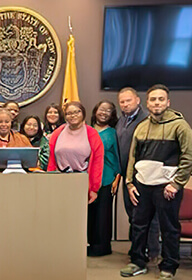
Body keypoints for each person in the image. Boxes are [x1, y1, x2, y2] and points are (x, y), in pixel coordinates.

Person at [120, 84, 192, 280]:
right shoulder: (142, 127)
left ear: (168, 102)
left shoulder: (180, 126)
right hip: (142, 186)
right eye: (153, 99)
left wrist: (177, 183)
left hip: (167, 188)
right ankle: (138, 262)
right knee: (138, 225)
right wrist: (130, 183)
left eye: (161, 99)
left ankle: (169, 267)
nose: (156, 103)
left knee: (169, 228)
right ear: (147, 103)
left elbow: (189, 157)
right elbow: (133, 158)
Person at [115, 87, 160, 260]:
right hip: (127, 177)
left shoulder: (147, 121)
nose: (125, 104)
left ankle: (152, 252)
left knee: (148, 217)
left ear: (138, 100)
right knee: (133, 215)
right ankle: (137, 250)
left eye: (128, 100)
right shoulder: (121, 121)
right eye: (122, 102)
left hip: (144, 177)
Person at [47, 101, 104, 205]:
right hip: (59, 180)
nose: (73, 116)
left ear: (83, 113)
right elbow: (51, 159)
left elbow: (97, 162)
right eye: (69, 113)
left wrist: (94, 188)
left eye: (76, 112)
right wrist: (50, 179)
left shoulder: (92, 133)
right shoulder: (58, 133)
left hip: (81, 182)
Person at [85, 100, 122, 256]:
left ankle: (102, 247)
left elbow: (118, 157)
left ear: (112, 115)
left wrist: (117, 177)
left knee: (103, 214)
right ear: (95, 111)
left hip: (107, 178)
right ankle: (90, 243)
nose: (104, 113)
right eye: (101, 109)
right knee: (89, 213)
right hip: (87, 178)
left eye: (108, 111)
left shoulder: (113, 133)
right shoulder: (86, 130)